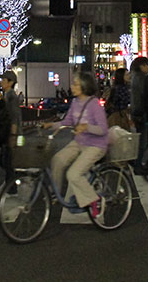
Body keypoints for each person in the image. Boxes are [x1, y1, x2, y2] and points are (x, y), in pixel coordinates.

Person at [44, 71, 108, 217]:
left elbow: (103, 129)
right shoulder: (75, 102)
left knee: (73, 174)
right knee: (58, 159)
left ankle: (94, 200)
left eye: (76, 84)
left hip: (95, 145)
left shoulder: (94, 105)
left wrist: (86, 127)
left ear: (85, 86)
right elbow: (67, 122)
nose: (72, 86)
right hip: (79, 142)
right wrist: (51, 125)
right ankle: (55, 192)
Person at [0, 69, 22, 188]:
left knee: (7, 160)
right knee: (6, 160)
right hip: (8, 132)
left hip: (11, 133)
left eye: (3, 80)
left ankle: (12, 186)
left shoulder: (11, 96)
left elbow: (14, 116)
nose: (1, 82)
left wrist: (13, 135)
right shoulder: (6, 95)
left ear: (10, 82)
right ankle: (11, 184)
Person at [129, 56, 148, 173]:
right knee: (143, 140)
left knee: (145, 138)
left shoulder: (134, 77)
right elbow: (146, 94)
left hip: (137, 111)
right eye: (146, 65)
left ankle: (136, 160)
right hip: (141, 112)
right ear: (141, 66)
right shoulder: (141, 78)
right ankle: (138, 165)